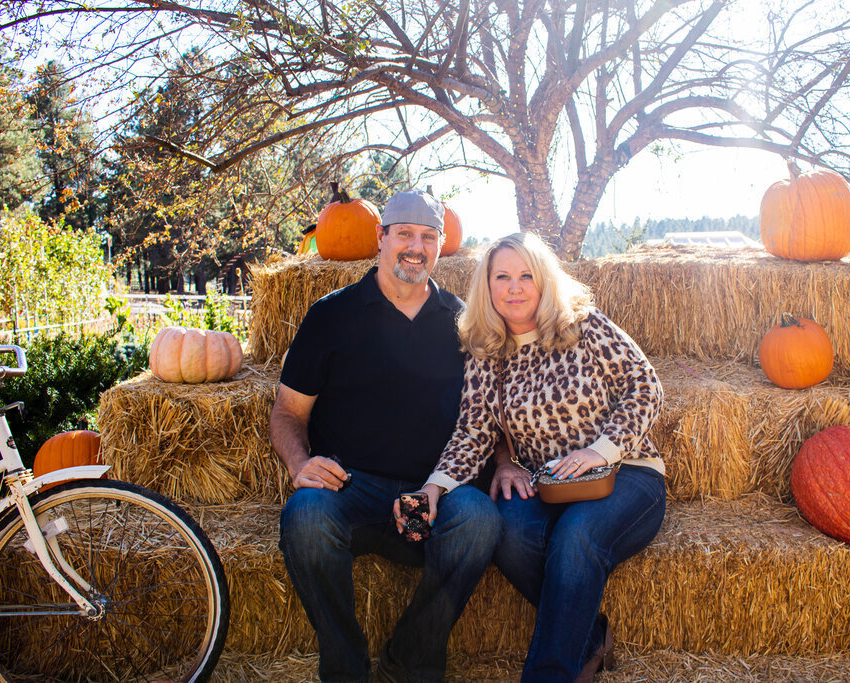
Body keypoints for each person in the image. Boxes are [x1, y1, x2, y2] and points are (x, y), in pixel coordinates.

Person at [406, 232, 667, 682]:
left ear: (544, 280)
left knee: (575, 537)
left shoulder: (583, 326)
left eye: (526, 276)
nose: (515, 288)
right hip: (547, 485)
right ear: (487, 286)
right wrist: (432, 488)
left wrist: (599, 451)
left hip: (625, 474)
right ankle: (590, 638)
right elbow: (474, 432)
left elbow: (645, 387)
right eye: (502, 277)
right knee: (507, 532)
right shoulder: (487, 353)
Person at [272, 189, 502, 683]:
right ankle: (345, 670)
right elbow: (288, 412)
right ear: (380, 237)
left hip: (429, 496)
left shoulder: (463, 323)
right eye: (404, 234)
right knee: (305, 518)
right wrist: (299, 464)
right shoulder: (331, 316)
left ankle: (409, 664)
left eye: (428, 237)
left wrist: (504, 464)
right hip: (350, 489)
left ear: (440, 244)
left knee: (479, 519)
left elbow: (489, 412)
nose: (416, 247)